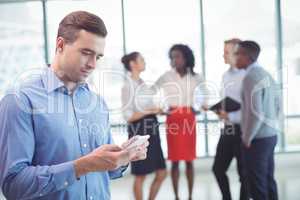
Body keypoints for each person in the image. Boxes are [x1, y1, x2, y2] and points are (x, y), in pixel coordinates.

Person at [0, 11, 148, 200]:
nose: (93, 64)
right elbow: (13, 186)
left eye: (98, 57)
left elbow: (106, 171)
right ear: (60, 45)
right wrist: (84, 165)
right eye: (86, 53)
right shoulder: (20, 100)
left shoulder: (97, 103)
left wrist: (123, 157)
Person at [153, 44, 208, 200]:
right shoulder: (166, 76)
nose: (174, 60)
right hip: (173, 119)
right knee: (175, 160)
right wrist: (162, 107)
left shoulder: (196, 77)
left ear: (186, 58)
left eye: (177, 56)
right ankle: (177, 196)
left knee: (189, 160)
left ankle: (190, 196)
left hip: (188, 118)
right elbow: (151, 91)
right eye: (172, 57)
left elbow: (206, 94)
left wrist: (198, 107)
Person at [234, 40, 279, 200]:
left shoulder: (250, 77)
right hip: (270, 135)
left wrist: (247, 138)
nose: (235, 57)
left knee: (257, 185)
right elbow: (277, 104)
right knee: (268, 180)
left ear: (247, 56)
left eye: (237, 54)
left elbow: (256, 113)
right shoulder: (266, 74)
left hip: (257, 139)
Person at [121, 52, 167, 200]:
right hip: (138, 131)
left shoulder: (142, 84)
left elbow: (147, 107)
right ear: (133, 64)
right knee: (140, 175)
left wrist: (157, 109)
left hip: (152, 130)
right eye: (141, 59)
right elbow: (128, 116)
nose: (144, 61)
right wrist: (150, 110)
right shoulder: (127, 86)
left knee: (161, 172)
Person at [211, 38, 249, 200]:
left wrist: (232, 115)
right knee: (218, 169)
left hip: (243, 130)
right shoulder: (225, 76)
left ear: (237, 54)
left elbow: (250, 109)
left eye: (226, 52)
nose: (223, 55)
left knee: (244, 174)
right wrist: (220, 112)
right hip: (227, 128)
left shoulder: (247, 76)